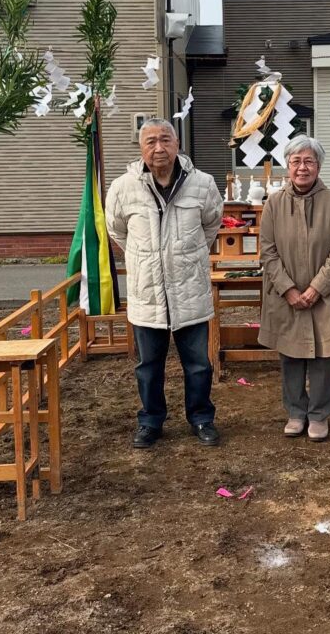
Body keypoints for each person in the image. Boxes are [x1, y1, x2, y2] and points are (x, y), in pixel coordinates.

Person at [106, 118, 223, 449]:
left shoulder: (202, 183)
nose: (159, 148)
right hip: (148, 293)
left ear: (177, 144)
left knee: (199, 364)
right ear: (141, 148)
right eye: (151, 142)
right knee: (148, 366)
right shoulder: (123, 188)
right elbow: (118, 231)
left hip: (190, 290)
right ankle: (151, 421)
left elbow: (211, 224)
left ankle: (201, 418)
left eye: (165, 140)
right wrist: (146, 258)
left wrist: (185, 255)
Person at [258, 135, 330, 442]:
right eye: (296, 161)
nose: (302, 168)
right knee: (290, 354)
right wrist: (288, 289)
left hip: (324, 295)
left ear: (318, 166)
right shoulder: (274, 203)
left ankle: (319, 414)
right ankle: (295, 412)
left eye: (309, 161)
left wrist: (316, 288)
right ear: (287, 166)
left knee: (323, 355)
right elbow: (267, 251)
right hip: (284, 293)